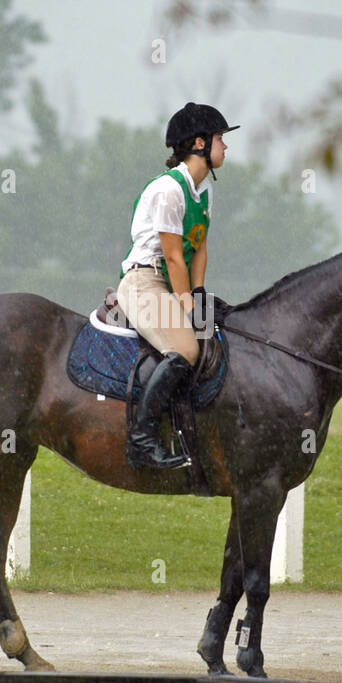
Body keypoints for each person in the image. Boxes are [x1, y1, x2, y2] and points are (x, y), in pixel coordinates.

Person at [117, 102, 239, 469]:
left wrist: (199, 296)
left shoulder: (204, 191)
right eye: (221, 139)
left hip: (175, 282)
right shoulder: (169, 191)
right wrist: (187, 305)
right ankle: (141, 442)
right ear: (200, 143)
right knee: (187, 349)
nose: (226, 146)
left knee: (212, 343)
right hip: (145, 281)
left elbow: (198, 247)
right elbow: (172, 257)